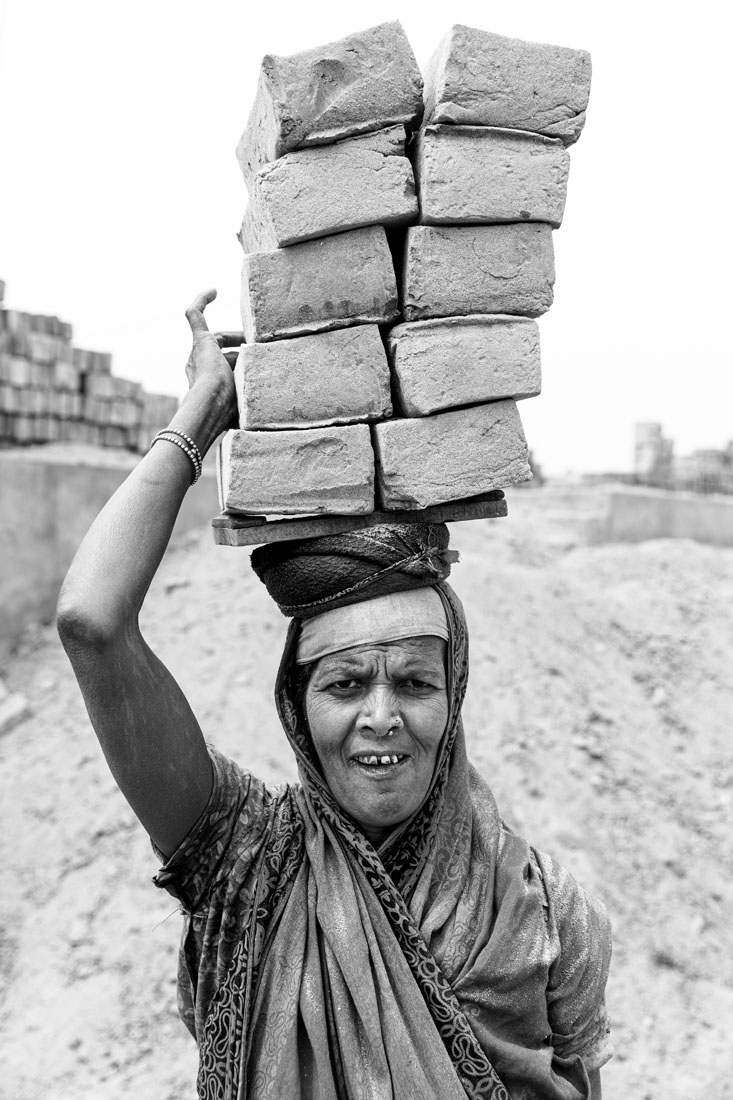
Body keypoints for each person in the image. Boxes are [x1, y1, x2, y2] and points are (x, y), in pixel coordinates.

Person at [57, 290, 612, 1100]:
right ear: (296, 706)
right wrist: (202, 416)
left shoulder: (548, 915)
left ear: (452, 701)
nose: (381, 716)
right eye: (345, 683)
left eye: (415, 683)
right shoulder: (242, 863)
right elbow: (91, 624)